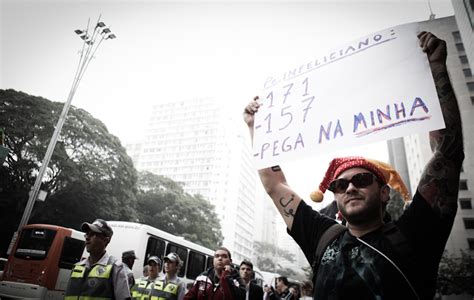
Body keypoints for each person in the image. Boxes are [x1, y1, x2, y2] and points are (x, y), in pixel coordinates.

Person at [243, 31, 464, 300]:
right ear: (334, 196)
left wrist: (436, 71)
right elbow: (274, 184)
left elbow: (447, 154)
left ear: (384, 192)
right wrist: (258, 128)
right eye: (340, 184)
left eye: (361, 180)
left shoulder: (415, 233)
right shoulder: (321, 236)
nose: (349, 187)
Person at [64, 219, 131, 299]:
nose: (87, 237)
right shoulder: (77, 266)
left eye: (92, 234)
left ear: (105, 240)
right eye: (87, 234)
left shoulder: (116, 268)